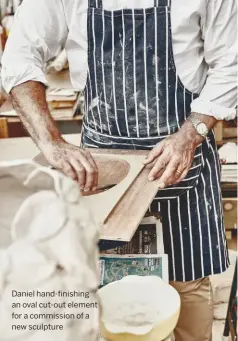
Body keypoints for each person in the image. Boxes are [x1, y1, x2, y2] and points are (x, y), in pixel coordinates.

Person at [1, 0, 237, 340]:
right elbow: (19, 57)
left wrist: (190, 136)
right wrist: (50, 142)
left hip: (182, 160)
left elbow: (231, 62)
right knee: (103, 283)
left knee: (187, 281)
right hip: (101, 173)